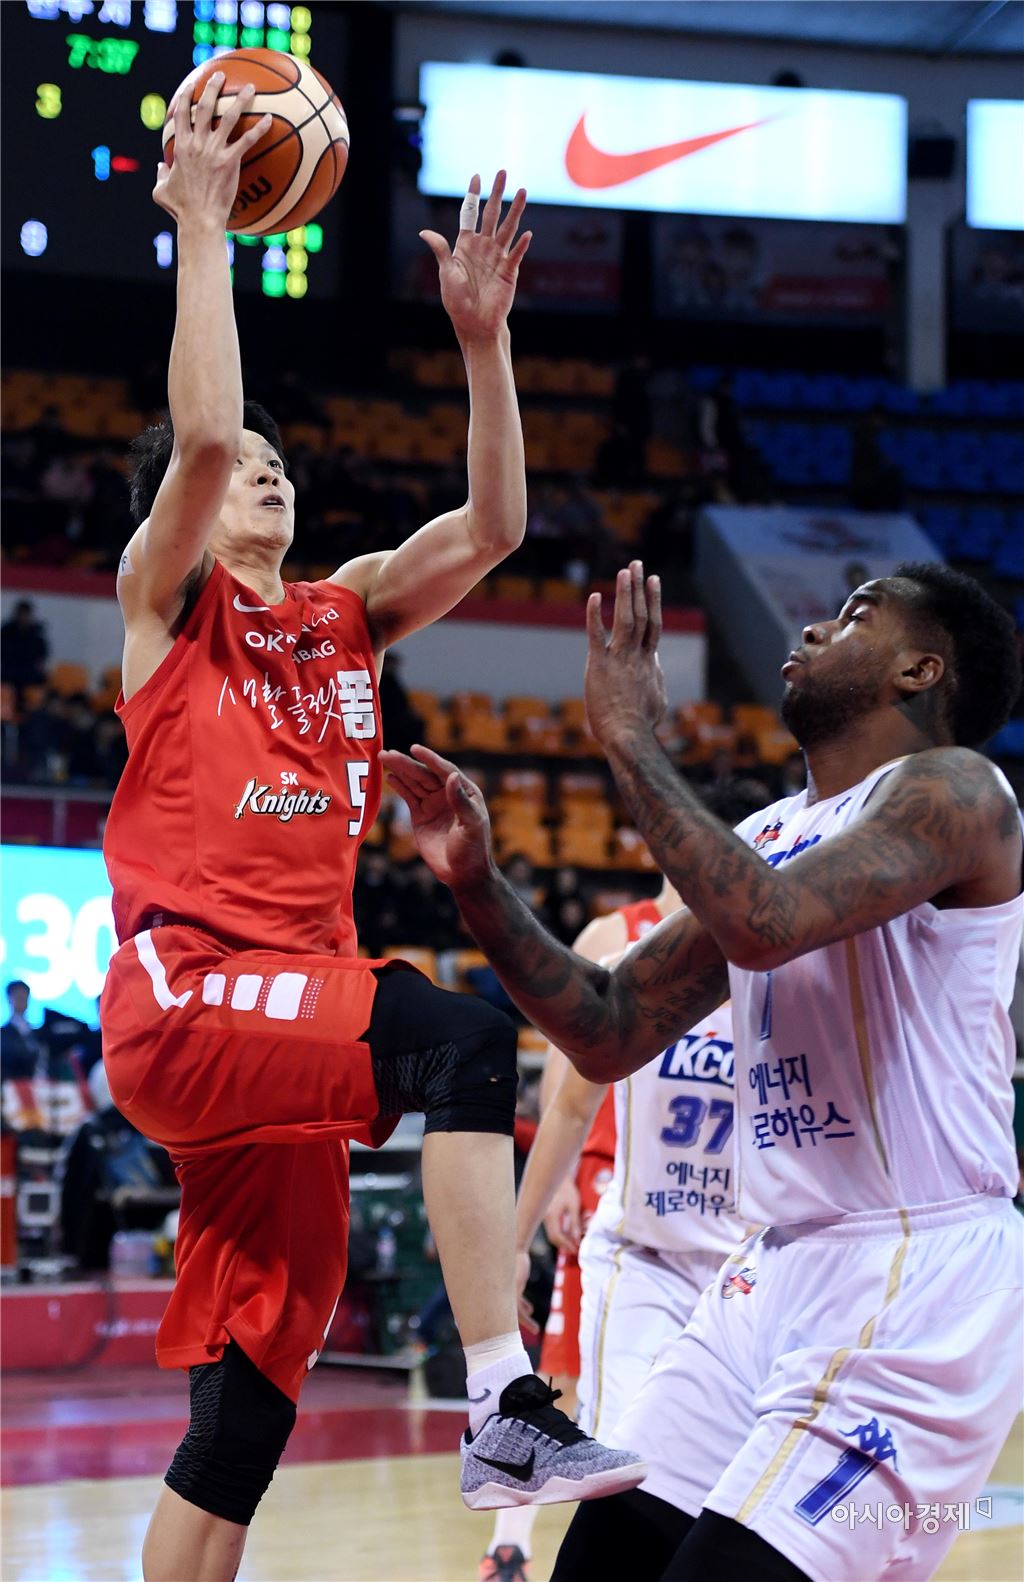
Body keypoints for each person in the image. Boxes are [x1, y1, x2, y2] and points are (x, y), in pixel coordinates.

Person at [99, 79, 643, 1582]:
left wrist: (484, 345)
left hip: (291, 1029)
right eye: (242, 467)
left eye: (282, 460)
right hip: (194, 995)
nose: (264, 468)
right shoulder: (167, 606)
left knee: (247, 1406)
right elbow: (198, 439)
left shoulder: (345, 613)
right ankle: (502, 1397)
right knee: (462, 1040)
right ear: (187, 512)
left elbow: (494, 529)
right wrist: (205, 227)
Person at [382, 557, 1024, 1582]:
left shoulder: (958, 792)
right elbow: (608, 1025)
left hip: (917, 1279)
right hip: (771, 1271)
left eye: (855, 616)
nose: (814, 629)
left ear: (920, 668)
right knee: (599, 1566)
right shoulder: (766, 834)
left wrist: (630, 739)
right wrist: (478, 883)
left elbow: (768, 924)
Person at [479, 783, 764, 1582]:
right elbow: (568, 1105)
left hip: (741, 1269)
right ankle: (512, 1543)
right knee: (632, 1470)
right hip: (641, 1256)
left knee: (725, 1484)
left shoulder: (774, 970)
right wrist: (515, 1241)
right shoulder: (625, 952)